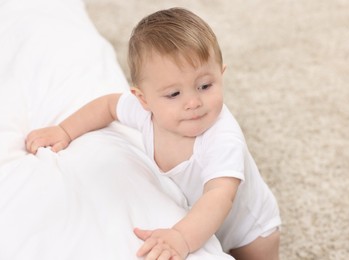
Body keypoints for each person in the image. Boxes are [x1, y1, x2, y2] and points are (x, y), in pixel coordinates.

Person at [25, 7, 281, 260]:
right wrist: (64, 130)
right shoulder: (145, 114)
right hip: (198, 214)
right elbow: (107, 107)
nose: (193, 102)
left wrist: (180, 237)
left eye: (205, 85)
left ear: (221, 75)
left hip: (250, 229)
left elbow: (220, 196)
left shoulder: (223, 138)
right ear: (143, 99)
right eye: (174, 94)